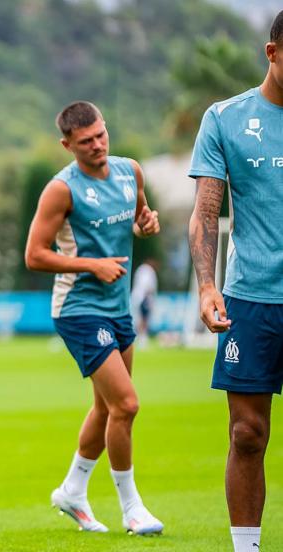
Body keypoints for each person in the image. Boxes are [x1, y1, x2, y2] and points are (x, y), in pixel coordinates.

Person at [24, 101, 163, 535]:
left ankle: (72, 490)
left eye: (101, 135)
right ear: (67, 145)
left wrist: (146, 224)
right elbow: (34, 255)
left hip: (118, 308)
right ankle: (132, 508)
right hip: (78, 309)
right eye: (86, 142)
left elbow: (138, 219)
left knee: (106, 408)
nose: (98, 145)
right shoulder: (61, 189)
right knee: (127, 404)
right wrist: (91, 265)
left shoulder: (130, 172)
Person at [188, 10, 283, 551]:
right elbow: (206, 211)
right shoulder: (225, 118)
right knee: (247, 433)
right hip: (251, 299)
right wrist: (207, 285)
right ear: (272, 53)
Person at [130, 258, 158, 346]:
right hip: (144, 298)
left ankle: (140, 336)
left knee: (139, 317)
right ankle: (142, 337)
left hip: (137, 297)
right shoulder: (148, 271)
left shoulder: (140, 269)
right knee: (143, 318)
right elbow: (147, 286)